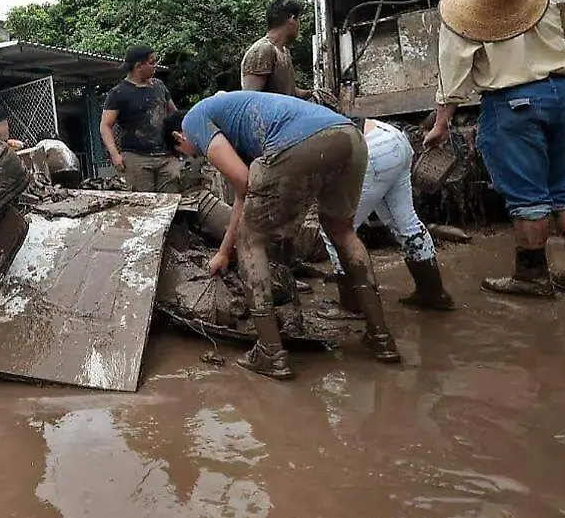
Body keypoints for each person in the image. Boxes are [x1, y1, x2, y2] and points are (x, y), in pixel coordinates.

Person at [164, 91, 401, 380]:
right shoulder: (237, 123)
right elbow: (244, 193)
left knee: (251, 241)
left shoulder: (193, 121)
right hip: (349, 137)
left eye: (184, 153)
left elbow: (244, 181)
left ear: (179, 137)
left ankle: (270, 352)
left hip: (302, 143)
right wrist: (224, 252)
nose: (192, 157)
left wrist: (236, 246)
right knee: (342, 231)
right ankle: (381, 337)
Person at [423, 0, 565, 298]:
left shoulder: (459, 8)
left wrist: (441, 123)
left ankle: (532, 277)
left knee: (528, 196)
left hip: (514, 103)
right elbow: (564, 27)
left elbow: (453, 73)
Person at [322, 117, 455, 314]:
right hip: (393, 137)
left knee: (336, 230)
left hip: (371, 149)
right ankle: (433, 293)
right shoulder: (302, 111)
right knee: (406, 222)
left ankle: (353, 305)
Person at [100, 45, 180, 193]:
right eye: (152, 62)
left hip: (167, 157)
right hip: (136, 159)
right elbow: (105, 125)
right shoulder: (118, 93)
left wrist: (179, 138)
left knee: (172, 200)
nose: (155, 66)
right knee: (143, 202)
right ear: (138, 66)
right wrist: (115, 155)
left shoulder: (159, 86)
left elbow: (174, 114)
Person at [241, 0, 313, 99]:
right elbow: (250, 99)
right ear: (292, 19)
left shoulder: (284, 52)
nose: (299, 25)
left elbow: (289, 93)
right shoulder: (262, 50)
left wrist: (312, 93)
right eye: (298, 19)